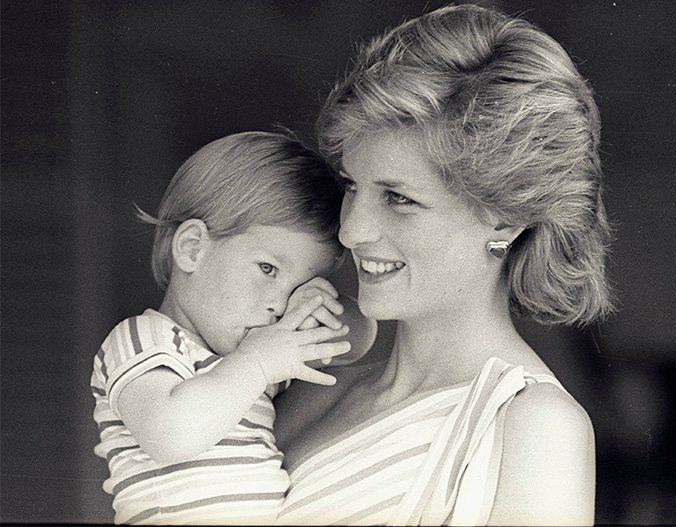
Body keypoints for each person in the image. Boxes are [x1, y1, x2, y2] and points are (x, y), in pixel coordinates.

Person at [273, 4, 615, 526]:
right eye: (351, 186)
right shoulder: (316, 389)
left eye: (399, 198)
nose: (350, 231)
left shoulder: (534, 425)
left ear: (505, 218)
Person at [90, 132, 376, 525]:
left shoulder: (257, 351)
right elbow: (170, 435)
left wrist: (314, 306)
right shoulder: (143, 340)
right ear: (193, 248)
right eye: (268, 269)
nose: (280, 304)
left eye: (296, 286)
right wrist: (257, 363)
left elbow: (357, 340)